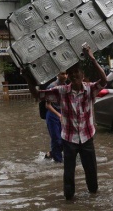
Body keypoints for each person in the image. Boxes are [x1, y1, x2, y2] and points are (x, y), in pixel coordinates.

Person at [22, 45, 107, 200]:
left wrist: (91, 57)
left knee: (91, 171)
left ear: (82, 75)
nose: (74, 75)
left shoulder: (89, 89)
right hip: (69, 139)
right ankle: (69, 201)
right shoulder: (61, 91)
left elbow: (104, 80)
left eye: (77, 72)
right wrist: (28, 78)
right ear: (68, 76)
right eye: (71, 73)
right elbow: (37, 95)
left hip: (87, 137)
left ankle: (93, 197)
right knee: (68, 173)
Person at [44, 71, 68, 163]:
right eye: (62, 74)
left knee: (66, 139)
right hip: (53, 114)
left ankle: (51, 154)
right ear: (57, 74)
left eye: (66, 74)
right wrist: (59, 115)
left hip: (63, 113)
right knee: (57, 140)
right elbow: (48, 105)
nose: (65, 76)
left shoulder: (67, 86)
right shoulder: (52, 87)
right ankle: (58, 162)